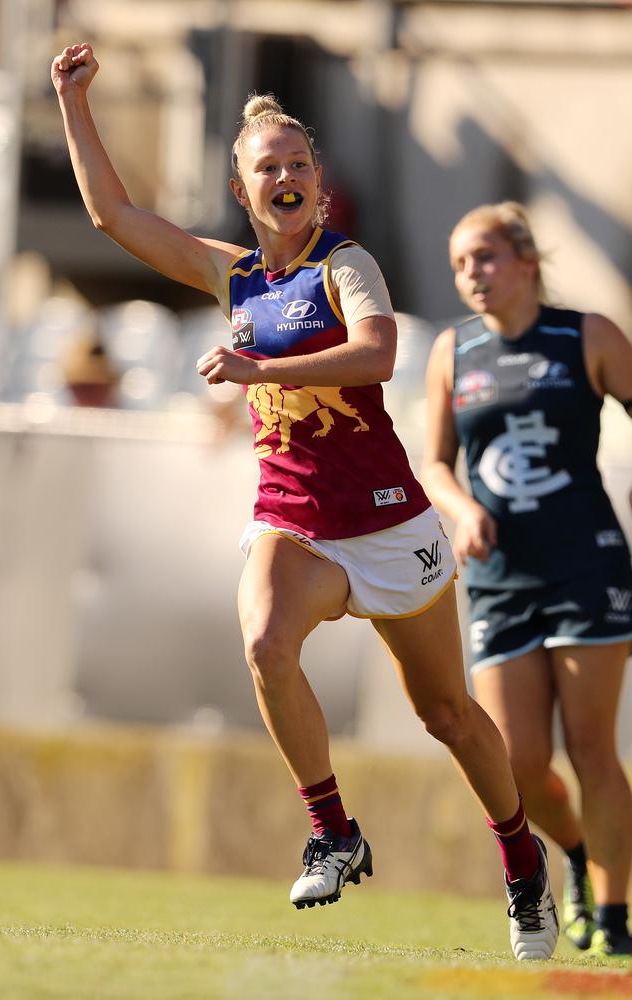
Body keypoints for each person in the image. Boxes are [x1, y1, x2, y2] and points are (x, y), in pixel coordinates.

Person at [51, 46, 559, 960]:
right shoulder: (233, 275)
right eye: (267, 168)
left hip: (388, 519)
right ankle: (333, 829)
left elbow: (377, 355)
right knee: (264, 643)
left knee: (447, 715)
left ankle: (522, 860)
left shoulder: (346, 261)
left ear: (317, 183)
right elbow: (111, 214)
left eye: (298, 164)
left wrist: (260, 366)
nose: (285, 177)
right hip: (295, 518)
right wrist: (72, 100)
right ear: (243, 192)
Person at [421, 200, 632, 959]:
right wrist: (462, 508)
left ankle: (612, 917)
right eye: (458, 264)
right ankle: (575, 852)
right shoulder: (453, 350)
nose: (470, 274)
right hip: (501, 576)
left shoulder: (589, 335)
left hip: (587, 564)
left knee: (592, 748)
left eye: (483, 256)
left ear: (525, 260)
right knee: (517, 764)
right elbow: (435, 462)